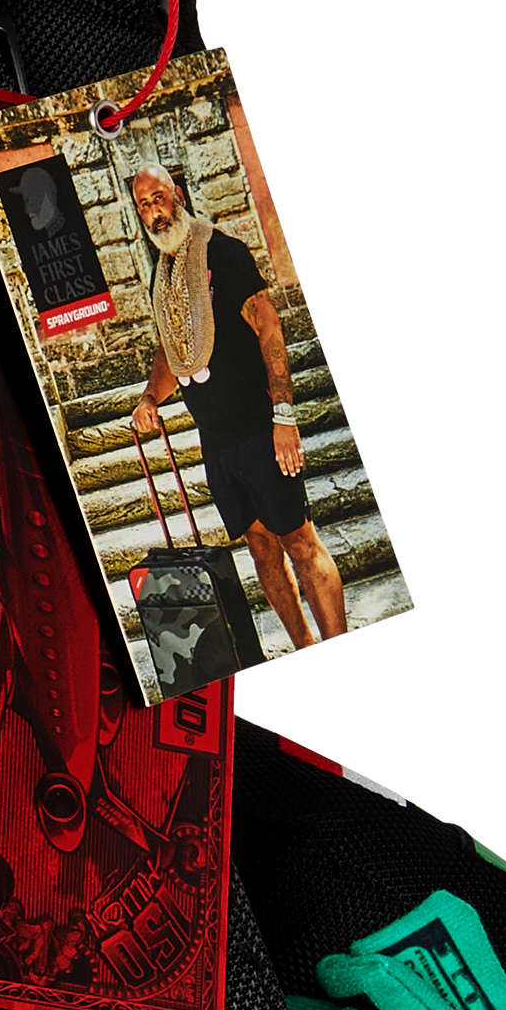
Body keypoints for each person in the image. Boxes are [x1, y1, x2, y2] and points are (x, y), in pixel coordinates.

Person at [130, 163, 347, 648]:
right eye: (144, 204)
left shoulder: (224, 253)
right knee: (261, 548)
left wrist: (284, 416)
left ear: (177, 194)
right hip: (216, 439)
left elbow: (268, 325)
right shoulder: (161, 277)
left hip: (259, 427)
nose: (154, 212)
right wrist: (149, 398)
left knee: (299, 541)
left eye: (159, 197)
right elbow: (170, 351)